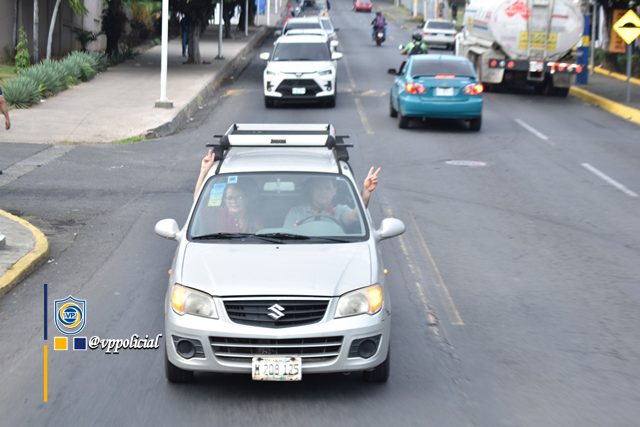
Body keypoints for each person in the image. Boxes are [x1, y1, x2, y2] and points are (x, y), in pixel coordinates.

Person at [284, 167, 381, 229]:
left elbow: (355, 215)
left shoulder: (340, 211)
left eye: (327, 188)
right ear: (312, 190)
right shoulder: (296, 212)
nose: (323, 192)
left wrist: (366, 191)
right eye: (318, 188)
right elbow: (286, 237)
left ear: (334, 191)